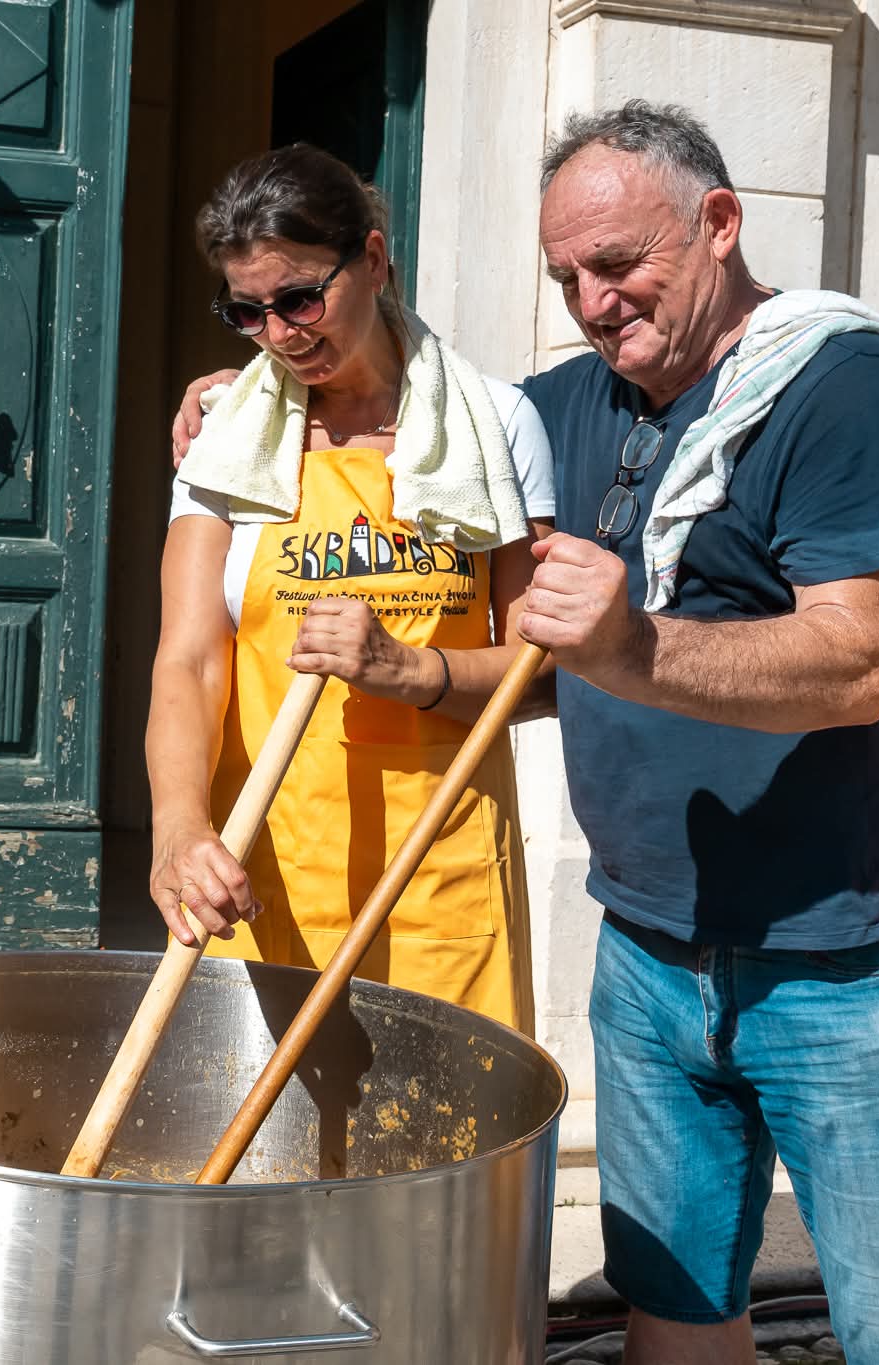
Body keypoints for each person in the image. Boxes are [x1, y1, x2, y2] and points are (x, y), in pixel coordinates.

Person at [172, 104, 879, 1365]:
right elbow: (416, 420)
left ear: (718, 224)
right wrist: (252, 400)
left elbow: (857, 663)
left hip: (849, 962)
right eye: (565, 278)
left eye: (618, 264)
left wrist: (626, 648)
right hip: (650, 949)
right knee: (673, 1311)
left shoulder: (848, 391)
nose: (593, 303)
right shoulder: (560, 410)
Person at [151, 145, 554, 1030]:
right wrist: (178, 827)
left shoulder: (495, 426)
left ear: (372, 259)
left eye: (300, 298)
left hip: (442, 885)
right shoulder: (225, 442)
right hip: (268, 876)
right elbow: (188, 660)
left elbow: (545, 670)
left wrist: (409, 670)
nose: (280, 335)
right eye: (247, 312)